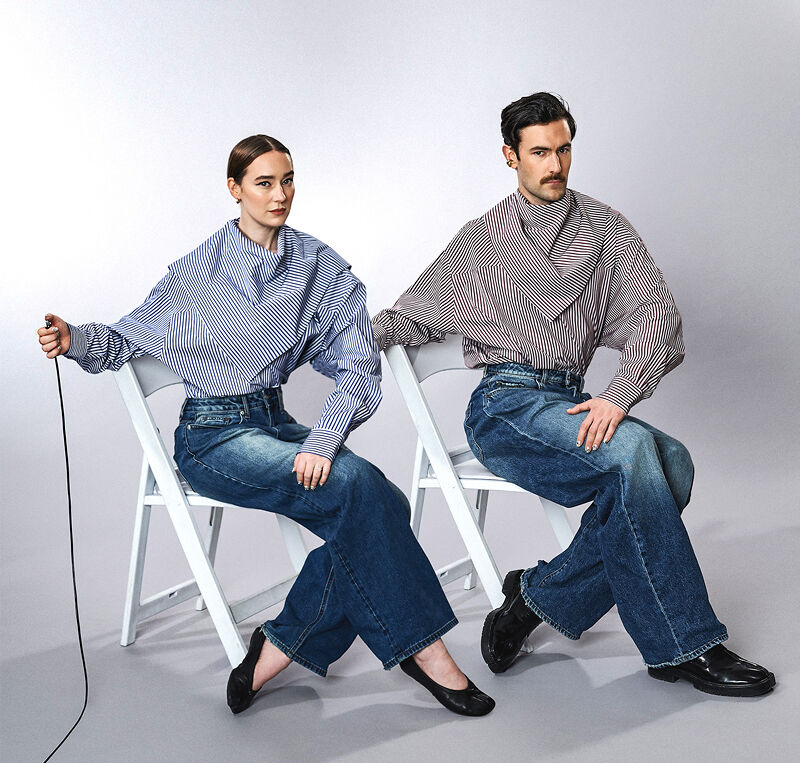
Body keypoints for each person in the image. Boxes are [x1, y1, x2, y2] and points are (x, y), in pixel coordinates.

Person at [37, 135, 494, 717]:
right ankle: (428, 655)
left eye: (288, 180)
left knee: (375, 496)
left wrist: (324, 437)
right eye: (264, 182)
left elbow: (358, 363)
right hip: (213, 438)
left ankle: (278, 648)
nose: (281, 195)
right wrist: (74, 338)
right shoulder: (198, 267)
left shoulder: (316, 263)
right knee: (363, 493)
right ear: (234, 189)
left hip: (278, 424)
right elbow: (126, 338)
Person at [372, 93, 775, 697]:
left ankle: (529, 603)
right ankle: (685, 645)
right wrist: (303, 323)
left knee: (673, 465)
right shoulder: (479, 239)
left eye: (563, 150)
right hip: (504, 407)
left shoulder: (605, 226)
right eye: (539, 152)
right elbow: (404, 319)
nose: (555, 164)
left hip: (569, 401)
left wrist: (621, 393)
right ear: (510, 156)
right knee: (640, 458)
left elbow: (658, 318)